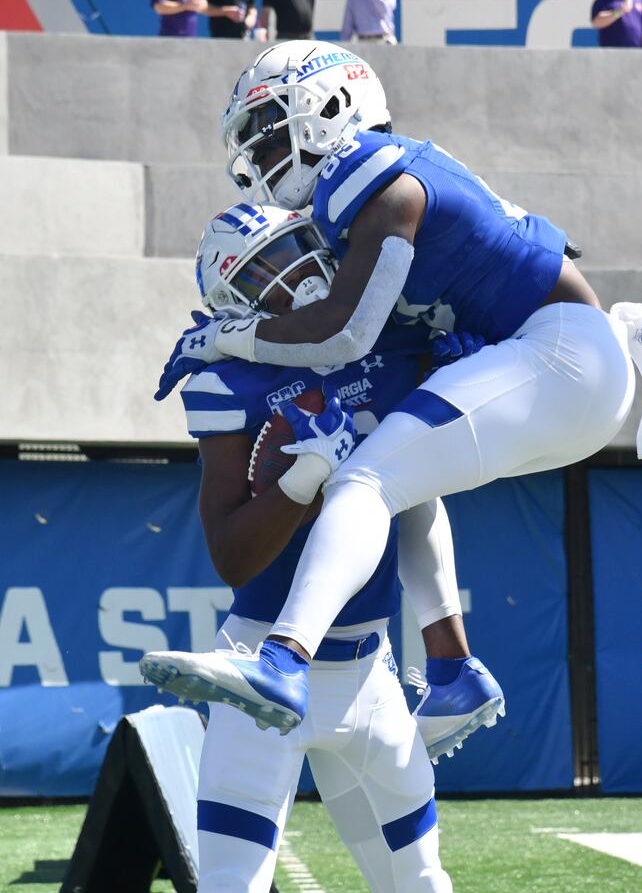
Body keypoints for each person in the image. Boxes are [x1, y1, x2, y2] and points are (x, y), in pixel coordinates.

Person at [147, 40, 635, 736]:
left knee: (363, 483)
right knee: (399, 471)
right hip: (570, 364)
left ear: (327, 107)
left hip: (563, 354)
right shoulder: (382, 182)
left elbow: (341, 332)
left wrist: (220, 338)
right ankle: (451, 671)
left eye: (267, 128)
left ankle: (282, 659)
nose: (260, 154)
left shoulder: (366, 171)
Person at [142, 203, 467, 891]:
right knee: (234, 882)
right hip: (260, 672)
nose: (290, 271)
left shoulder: (392, 344)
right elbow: (232, 558)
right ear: (234, 302)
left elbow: (421, 500)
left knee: (421, 881)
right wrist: (301, 481)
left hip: (372, 673)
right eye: (261, 267)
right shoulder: (230, 380)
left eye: (294, 247)